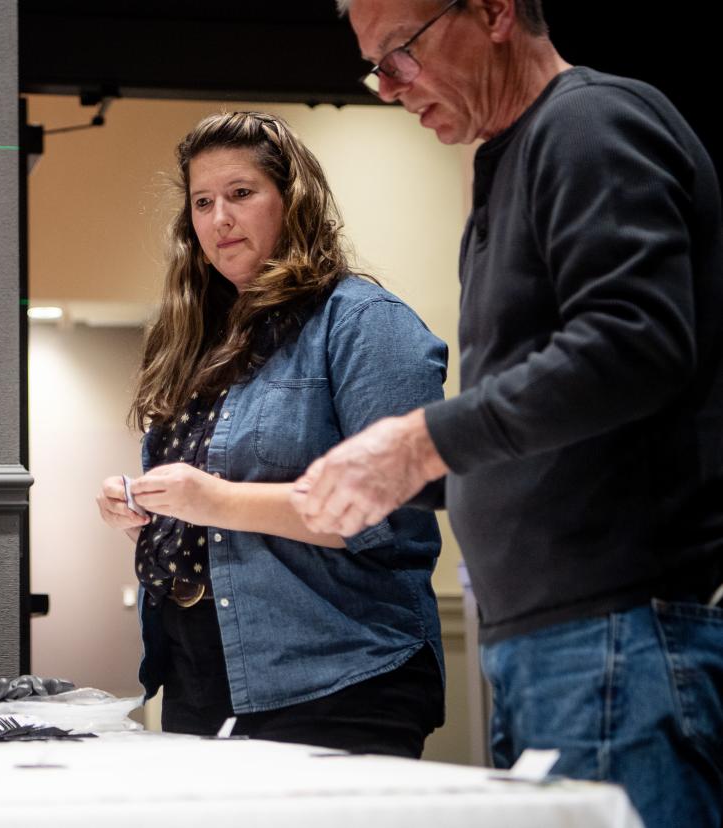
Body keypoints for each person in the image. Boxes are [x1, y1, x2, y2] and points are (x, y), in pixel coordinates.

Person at [290, 2, 723, 825]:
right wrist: (391, 475)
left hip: (613, 640)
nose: (389, 87)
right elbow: (546, 416)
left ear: (492, 11)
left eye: (402, 54)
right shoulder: (513, 157)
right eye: (375, 67)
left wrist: (422, 443)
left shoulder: (589, 123)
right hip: (560, 648)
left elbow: (633, 345)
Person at [95, 111, 448, 755]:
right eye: (202, 202)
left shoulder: (366, 324)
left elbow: (389, 510)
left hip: (339, 677)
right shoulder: (194, 340)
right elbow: (207, 496)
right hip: (197, 676)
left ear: (294, 201)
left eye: (240, 193)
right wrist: (143, 506)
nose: (219, 219)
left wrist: (217, 502)